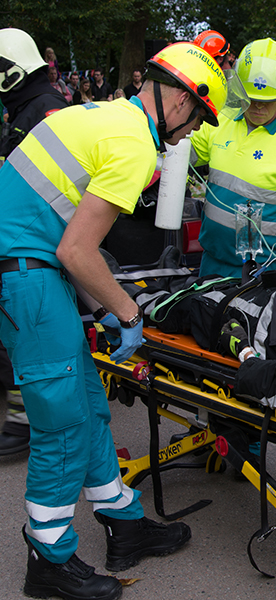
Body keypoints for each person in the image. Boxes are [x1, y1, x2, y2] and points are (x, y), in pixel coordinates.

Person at [0, 41, 229, 600]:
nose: (190, 133)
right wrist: (128, 313)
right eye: (196, 118)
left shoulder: (105, 114)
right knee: (61, 423)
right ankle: (48, 560)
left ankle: (123, 523)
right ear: (179, 101)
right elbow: (78, 252)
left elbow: (65, 241)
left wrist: (104, 309)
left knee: (87, 402)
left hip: (30, 267)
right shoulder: (134, 146)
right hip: (26, 276)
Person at [0, 28, 70, 456]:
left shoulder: (45, 111)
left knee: (20, 336)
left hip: (31, 244)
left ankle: (24, 421)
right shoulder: (29, 107)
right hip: (21, 237)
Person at [191, 38, 276, 279]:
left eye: (266, 101)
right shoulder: (221, 120)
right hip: (211, 260)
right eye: (251, 98)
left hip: (259, 270)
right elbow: (186, 155)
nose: (257, 106)